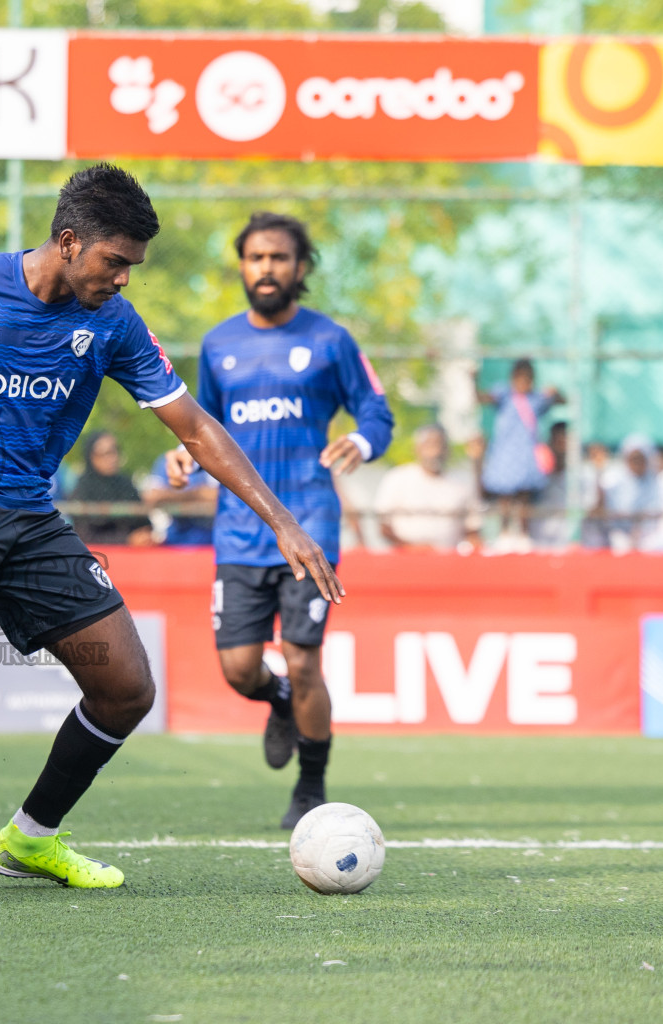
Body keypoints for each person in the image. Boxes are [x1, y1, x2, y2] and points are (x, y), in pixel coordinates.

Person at [0, 166, 339, 889]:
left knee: (127, 687)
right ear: (67, 241)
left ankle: (31, 840)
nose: (123, 279)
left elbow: (195, 427)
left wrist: (282, 522)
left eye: (132, 267)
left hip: (29, 515)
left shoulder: (114, 326)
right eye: (114, 262)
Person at [168, 211, 394, 829]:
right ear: (243, 266)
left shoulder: (331, 341)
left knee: (302, 657)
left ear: (301, 268)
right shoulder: (219, 344)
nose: (266, 268)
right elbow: (197, 424)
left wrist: (364, 441)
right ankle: (279, 702)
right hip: (239, 531)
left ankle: (311, 787)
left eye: (279, 258)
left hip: (310, 526)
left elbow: (377, 410)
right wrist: (179, 453)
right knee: (241, 670)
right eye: (256, 258)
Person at [477, 358, 564, 538]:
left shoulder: (536, 399)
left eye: (528, 378)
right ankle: (504, 534)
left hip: (526, 454)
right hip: (505, 453)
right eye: (520, 378)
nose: (524, 382)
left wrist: (555, 392)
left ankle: (524, 535)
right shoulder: (504, 395)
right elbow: (481, 398)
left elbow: (562, 401)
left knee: (524, 497)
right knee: (505, 496)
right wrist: (473, 379)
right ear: (513, 378)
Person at [373, 423, 480, 552]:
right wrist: (413, 549)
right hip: (405, 558)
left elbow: (472, 530)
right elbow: (384, 527)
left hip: (449, 560)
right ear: (417, 448)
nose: (435, 451)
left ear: (447, 449)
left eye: (440, 445)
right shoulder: (397, 478)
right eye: (429, 445)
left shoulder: (462, 482)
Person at [603, 434, 663, 554]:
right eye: (632, 459)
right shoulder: (614, 489)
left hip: (656, 554)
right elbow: (611, 527)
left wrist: (649, 546)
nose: (637, 464)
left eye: (640, 459)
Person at [68, 431, 153, 545]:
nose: (112, 458)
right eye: (105, 453)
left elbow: (144, 523)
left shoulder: (125, 484)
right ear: (91, 457)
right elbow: (85, 536)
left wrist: (145, 536)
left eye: (115, 451)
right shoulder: (83, 490)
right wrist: (127, 540)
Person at [142, 445, 218, 546]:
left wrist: (170, 496)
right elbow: (151, 497)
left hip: (209, 539)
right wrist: (197, 495)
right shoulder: (164, 461)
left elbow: (215, 495)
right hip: (173, 539)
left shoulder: (214, 458)